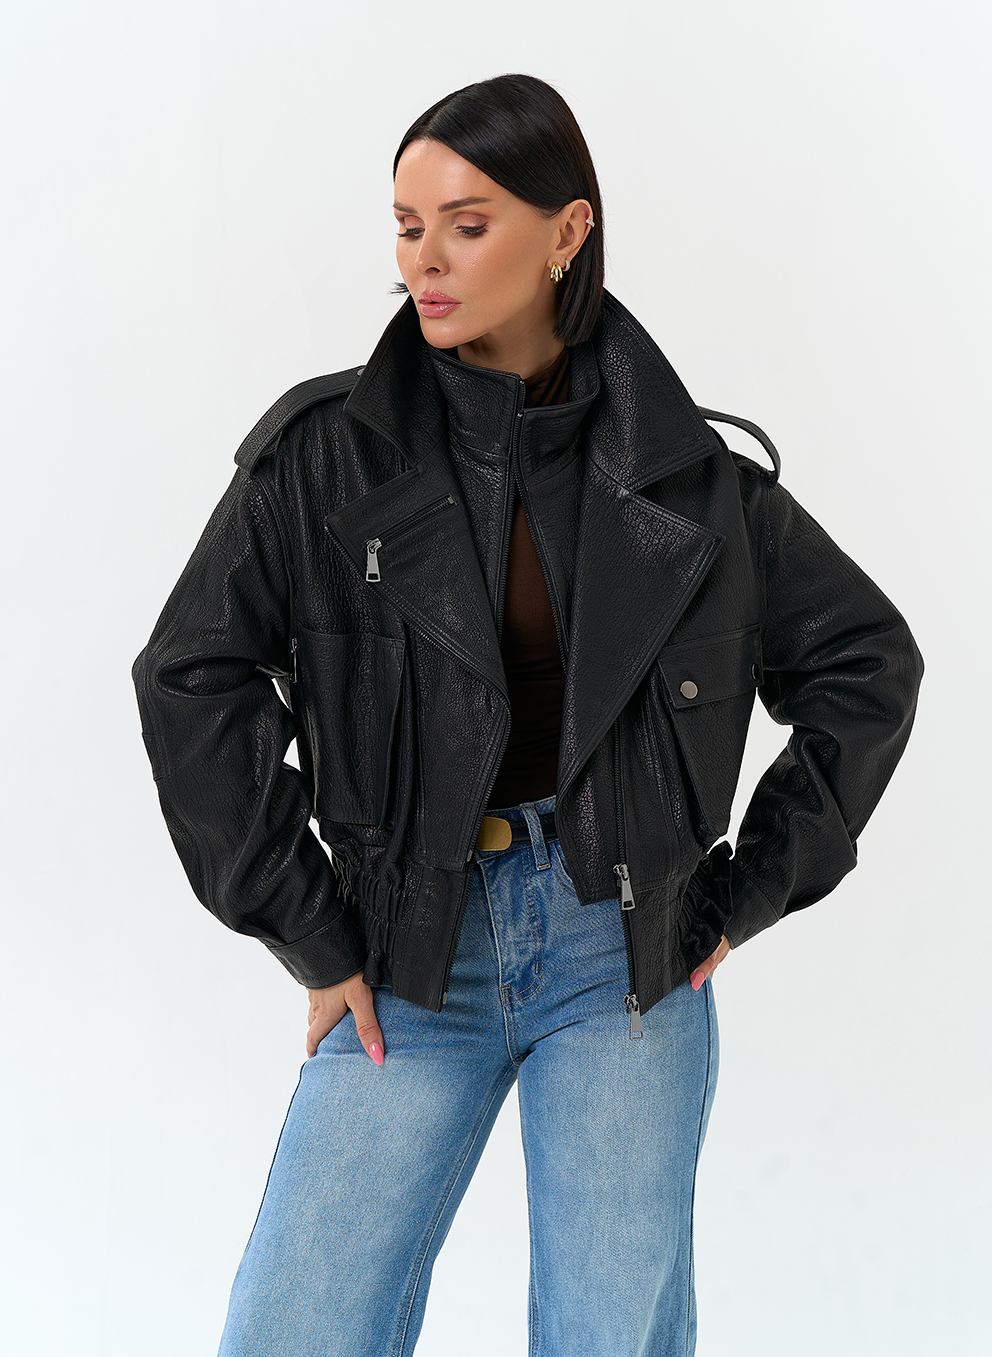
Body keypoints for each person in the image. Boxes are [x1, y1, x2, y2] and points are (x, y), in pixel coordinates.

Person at [132, 73, 924, 1357]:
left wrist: (745, 890)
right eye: (407, 227)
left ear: (566, 231)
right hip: (406, 947)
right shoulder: (324, 456)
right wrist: (312, 932)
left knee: (608, 1335)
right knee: (295, 1325)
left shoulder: (693, 480)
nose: (425, 260)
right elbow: (190, 675)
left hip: (622, 954)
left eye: (466, 223)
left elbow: (866, 663)